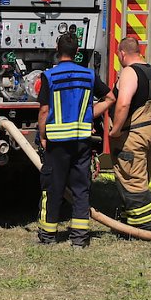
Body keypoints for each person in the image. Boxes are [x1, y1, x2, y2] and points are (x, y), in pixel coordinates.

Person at [36, 32, 112, 247]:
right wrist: (89, 114)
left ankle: (48, 236)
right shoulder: (88, 75)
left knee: (53, 189)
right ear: (78, 52)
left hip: (57, 142)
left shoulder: (49, 76)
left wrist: (42, 135)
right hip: (81, 141)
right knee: (81, 188)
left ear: (57, 50)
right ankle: (79, 238)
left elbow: (44, 110)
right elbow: (110, 98)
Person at [108, 37, 151, 231]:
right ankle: (130, 219)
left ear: (122, 53)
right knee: (142, 176)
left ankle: (146, 226)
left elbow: (123, 103)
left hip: (134, 134)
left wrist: (115, 131)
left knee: (132, 179)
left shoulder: (129, 73)